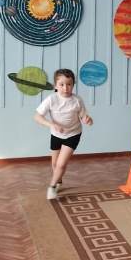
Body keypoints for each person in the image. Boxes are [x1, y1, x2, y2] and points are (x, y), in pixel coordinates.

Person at [34, 69, 93, 200]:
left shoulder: (77, 100)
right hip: (56, 134)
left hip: (73, 134)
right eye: (61, 84)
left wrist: (87, 119)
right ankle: (59, 181)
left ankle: (52, 187)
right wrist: (52, 125)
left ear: (73, 85)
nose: (65, 88)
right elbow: (37, 117)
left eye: (69, 84)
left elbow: (83, 116)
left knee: (61, 165)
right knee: (55, 164)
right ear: (55, 85)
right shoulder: (51, 99)